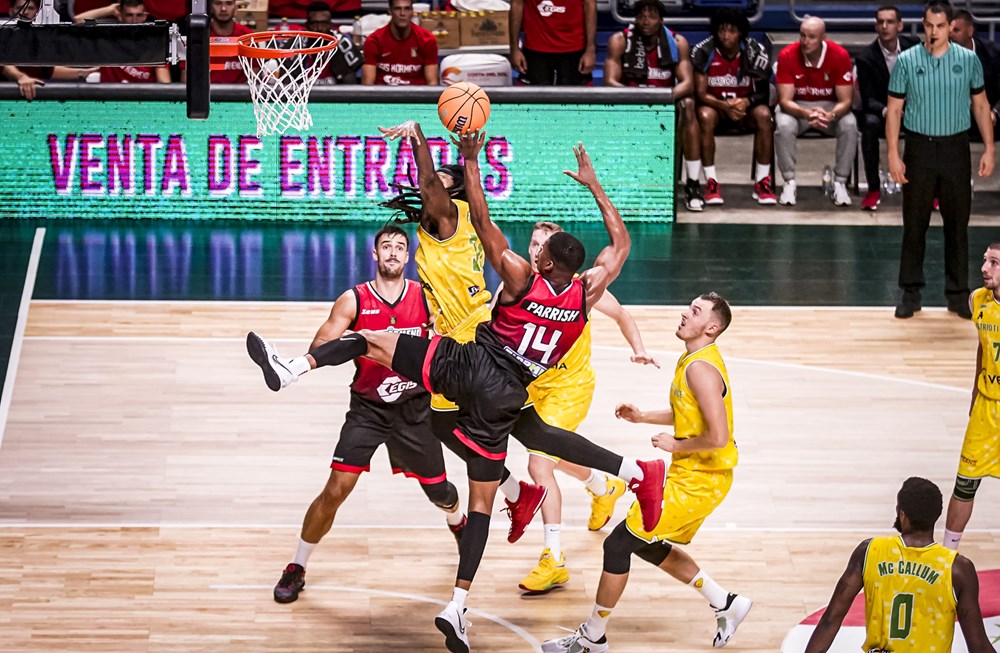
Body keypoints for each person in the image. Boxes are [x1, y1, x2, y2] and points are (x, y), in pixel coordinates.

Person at [247, 134, 668, 653]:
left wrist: (470, 159)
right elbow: (621, 244)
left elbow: (486, 223)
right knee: (495, 479)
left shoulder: (521, 278)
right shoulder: (587, 292)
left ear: (543, 264)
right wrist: (596, 187)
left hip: (473, 364)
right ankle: (619, 478)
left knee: (375, 343)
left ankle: (293, 368)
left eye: (541, 251)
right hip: (510, 391)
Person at [541, 292, 752, 653]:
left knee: (618, 544)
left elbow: (718, 436)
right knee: (643, 543)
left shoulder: (700, 368)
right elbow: (688, 413)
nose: (685, 313)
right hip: (693, 475)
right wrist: (642, 417)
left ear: (712, 327)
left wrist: (676, 445)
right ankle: (725, 602)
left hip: (701, 480)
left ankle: (593, 636)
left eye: (695, 312)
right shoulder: (693, 359)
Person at [269, 225, 467, 604]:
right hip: (368, 409)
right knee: (335, 490)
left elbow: (449, 343)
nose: (392, 252)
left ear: (407, 256)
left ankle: (457, 521)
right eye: (386, 246)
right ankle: (297, 565)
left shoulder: (426, 298)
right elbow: (321, 345)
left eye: (399, 247)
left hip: (414, 409)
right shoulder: (354, 300)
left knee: (440, 492)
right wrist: (354, 344)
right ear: (375, 255)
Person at [513, 220, 658, 595]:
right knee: (551, 455)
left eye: (545, 244)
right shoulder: (519, 283)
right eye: (533, 243)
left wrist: (639, 349)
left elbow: (622, 314)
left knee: (538, 464)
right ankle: (601, 486)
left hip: (569, 387)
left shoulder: (579, 290)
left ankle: (554, 559)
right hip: (532, 385)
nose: (537, 249)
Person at [887, 0, 995, 320]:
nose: (934, 32)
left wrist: (989, 148)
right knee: (914, 223)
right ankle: (910, 293)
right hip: (918, 147)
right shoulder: (906, 60)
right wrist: (893, 153)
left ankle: (958, 294)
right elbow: (894, 110)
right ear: (923, 25)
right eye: (929, 25)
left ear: (950, 26)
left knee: (957, 224)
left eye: (940, 26)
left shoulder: (969, 59)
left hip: (955, 147)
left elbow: (980, 105)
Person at [803, 477, 994, 653]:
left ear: (902, 514)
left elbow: (831, 619)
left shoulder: (870, 551)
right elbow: (978, 646)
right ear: (936, 516)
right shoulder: (957, 568)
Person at [603, 0, 703, 211]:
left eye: (652, 16)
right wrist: (640, 99)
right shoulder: (620, 40)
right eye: (642, 16)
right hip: (631, 105)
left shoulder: (677, 42)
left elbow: (687, 83)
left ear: (661, 19)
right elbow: (610, 82)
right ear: (635, 18)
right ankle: (622, 183)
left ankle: (693, 184)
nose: (646, 21)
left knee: (689, 105)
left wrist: (664, 98)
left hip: (665, 104)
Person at [941, 242, 1000, 551]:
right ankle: (947, 554)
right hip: (986, 409)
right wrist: (976, 390)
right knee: (964, 484)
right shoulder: (978, 299)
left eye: (994, 263)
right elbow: (983, 345)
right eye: (985, 260)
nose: (984, 268)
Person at [690, 8, 775, 206]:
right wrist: (723, 106)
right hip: (716, 108)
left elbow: (764, 93)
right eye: (722, 31)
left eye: (731, 31)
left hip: (746, 109)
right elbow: (700, 94)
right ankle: (711, 182)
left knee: (764, 114)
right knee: (704, 115)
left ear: (741, 32)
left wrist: (746, 102)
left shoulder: (755, 51)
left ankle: (762, 182)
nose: (726, 36)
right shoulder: (704, 51)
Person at [774, 16, 858, 207]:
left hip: (830, 107)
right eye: (802, 36)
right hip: (797, 108)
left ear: (823, 37)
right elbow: (785, 101)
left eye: (811, 37)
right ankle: (789, 182)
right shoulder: (787, 54)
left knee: (850, 124)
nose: (805, 41)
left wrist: (831, 115)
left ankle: (840, 182)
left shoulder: (839, 55)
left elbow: (846, 100)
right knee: (784, 125)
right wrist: (806, 113)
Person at [855, 5, 918, 211]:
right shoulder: (865, 57)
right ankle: (873, 188)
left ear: (900, 25)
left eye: (890, 22)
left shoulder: (915, 48)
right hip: (882, 113)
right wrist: (889, 112)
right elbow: (868, 99)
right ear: (876, 26)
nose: (884, 26)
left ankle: (928, 190)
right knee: (869, 124)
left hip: (912, 111)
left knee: (929, 123)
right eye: (880, 22)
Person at [71, 0, 172, 84]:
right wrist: (110, 9)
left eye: (139, 15)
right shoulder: (107, 36)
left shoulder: (155, 44)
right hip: (110, 96)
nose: (134, 20)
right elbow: (78, 20)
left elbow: (164, 82)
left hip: (142, 98)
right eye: (129, 15)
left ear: (146, 15)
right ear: (120, 15)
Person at [508, 0, 595, 86]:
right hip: (536, 49)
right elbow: (517, 3)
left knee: (577, 94)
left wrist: (590, 50)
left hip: (574, 49)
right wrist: (514, 49)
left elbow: (590, 4)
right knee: (530, 95)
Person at [361, 0, 438, 86]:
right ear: (390, 11)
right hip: (383, 93)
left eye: (407, 8)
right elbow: (368, 84)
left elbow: (432, 82)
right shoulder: (374, 41)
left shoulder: (427, 40)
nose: (402, 13)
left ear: (412, 11)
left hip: (416, 93)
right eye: (397, 9)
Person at [950, 10, 1000, 142]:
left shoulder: (993, 53)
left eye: (956, 30)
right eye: (949, 30)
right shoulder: (938, 55)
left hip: (993, 124)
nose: (951, 35)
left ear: (970, 31)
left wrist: (995, 112)